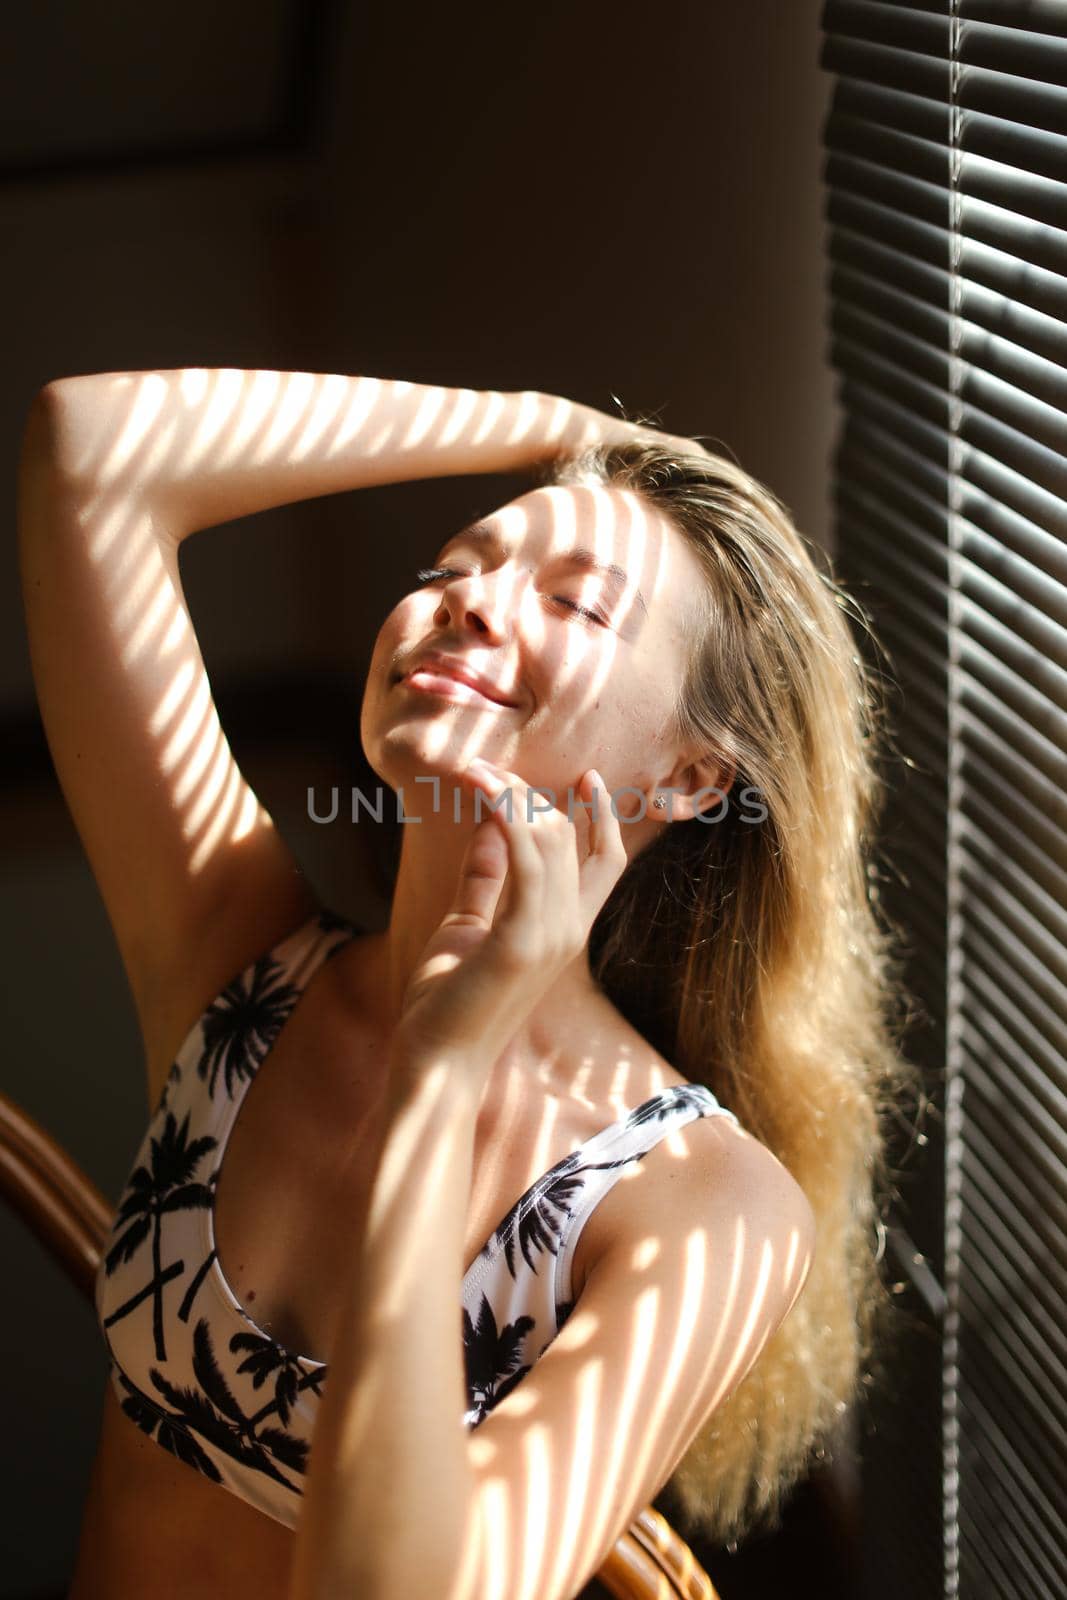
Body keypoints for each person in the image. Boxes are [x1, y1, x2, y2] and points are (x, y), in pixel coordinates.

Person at [18, 371, 915, 1600]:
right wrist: (556, 429)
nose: (466, 605)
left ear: (694, 775)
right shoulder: (243, 957)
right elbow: (87, 453)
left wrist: (439, 1075)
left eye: (575, 605)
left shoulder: (703, 1210)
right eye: (450, 568)